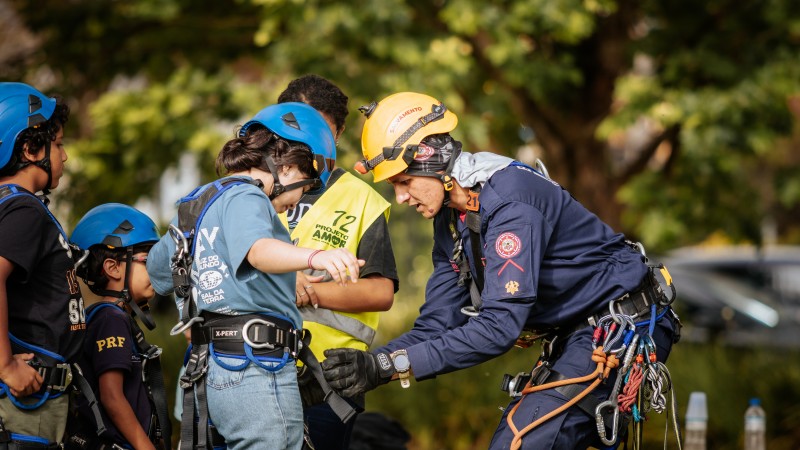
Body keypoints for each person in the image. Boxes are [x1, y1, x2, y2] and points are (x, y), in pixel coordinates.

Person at [321, 92, 681, 449]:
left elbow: (498, 327)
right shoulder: (452, 220)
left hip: (621, 324)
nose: (400, 198)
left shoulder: (510, 201)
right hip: (578, 332)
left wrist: (388, 366)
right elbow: (437, 324)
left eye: (403, 181)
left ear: (430, 160)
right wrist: (373, 363)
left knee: (518, 442)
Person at [146, 102, 364, 450]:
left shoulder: (197, 207)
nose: (298, 200)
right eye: (306, 186)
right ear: (289, 166)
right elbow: (258, 251)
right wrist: (317, 256)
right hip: (255, 369)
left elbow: (155, 273)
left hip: (211, 371)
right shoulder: (249, 196)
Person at [278, 75, 398, 450]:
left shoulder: (362, 200)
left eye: (321, 131)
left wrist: (309, 291)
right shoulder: (252, 190)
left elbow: (381, 291)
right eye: (297, 129)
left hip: (330, 376)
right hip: (256, 366)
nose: (309, 143)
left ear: (340, 132)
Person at [0, 82, 85, 448]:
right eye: (59, 144)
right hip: (26, 401)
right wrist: (5, 366)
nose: (64, 157)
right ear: (30, 147)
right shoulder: (23, 211)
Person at [67, 204, 168, 450]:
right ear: (112, 268)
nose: (155, 270)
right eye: (147, 260)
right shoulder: (110, 319)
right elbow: (112, 397)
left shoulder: (108, 317)